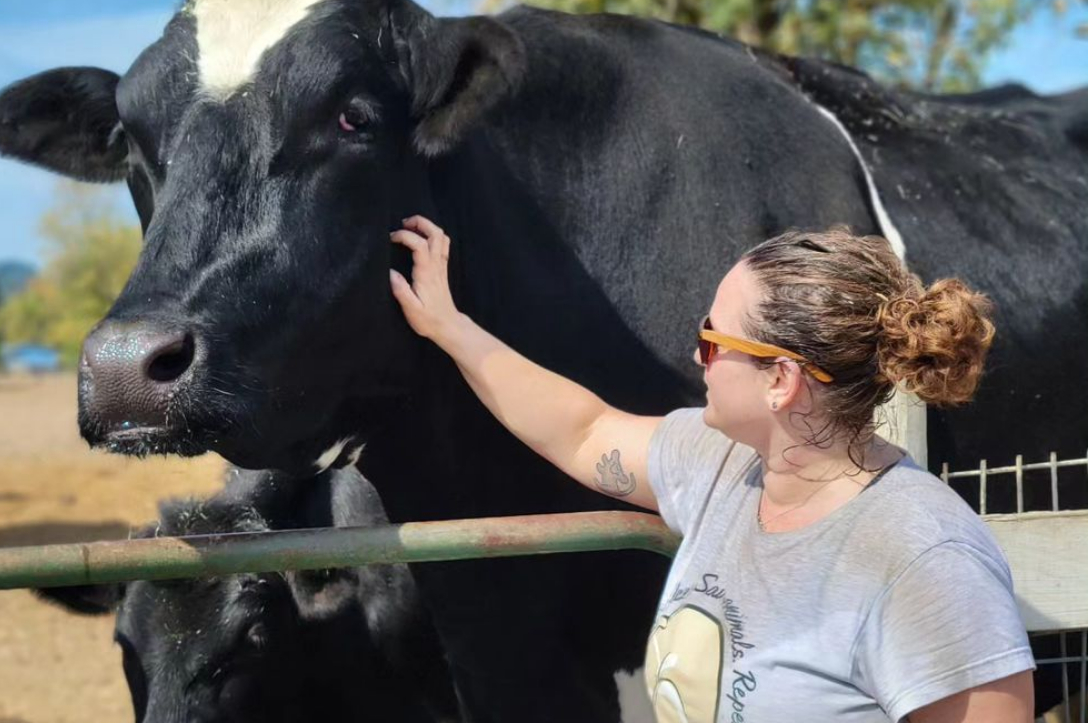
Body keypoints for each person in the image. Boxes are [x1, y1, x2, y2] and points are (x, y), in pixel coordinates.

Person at [388, 216, 1034, 723]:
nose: (695, 354)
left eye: (711, 339)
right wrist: (449, 327)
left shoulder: (927, 559)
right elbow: (584, 430)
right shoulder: (723, 462)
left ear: (781, 379)